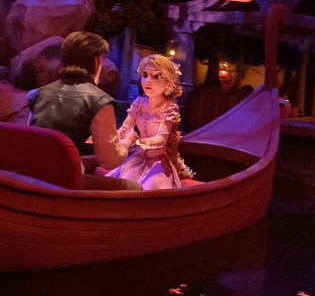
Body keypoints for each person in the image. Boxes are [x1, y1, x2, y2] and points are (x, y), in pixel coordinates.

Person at [27, 31, 131, 170]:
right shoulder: (100, 101)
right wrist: (127, 141)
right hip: (64, 178)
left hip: (30, 174)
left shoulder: (37, 94)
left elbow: (32, 138)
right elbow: (110, 161)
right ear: (97, 61)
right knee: (130, 182)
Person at [105, 54, 194, 190]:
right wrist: (112, 136)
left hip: (158, 163)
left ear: (169, 83)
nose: (148, 81)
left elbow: (161, 139)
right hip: (138, 159)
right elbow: (125, 128)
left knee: (151, 187)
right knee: (118, 184)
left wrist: (139, 141)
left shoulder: (169, 108)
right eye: (145, 75)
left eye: (157, 76)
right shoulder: (139, 103)